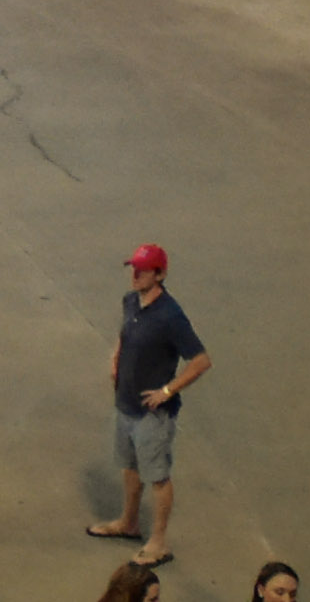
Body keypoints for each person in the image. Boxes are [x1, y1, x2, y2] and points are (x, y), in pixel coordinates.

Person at [90, 243, 210, 571]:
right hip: (126, 403)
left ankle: (158, 543)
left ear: (160, 274)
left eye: (143, 270)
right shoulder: (131, 301)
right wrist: (116, 356)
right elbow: (125, 332)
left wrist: (167, 391)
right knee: (130, 467)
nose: (136, 274)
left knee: (157, 476)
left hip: (152, 414)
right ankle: (129, 522)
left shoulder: (171, 316)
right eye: (134, 268)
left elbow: (200, 361)